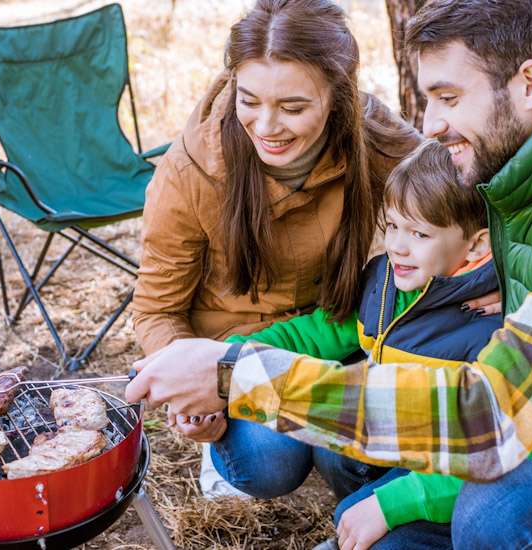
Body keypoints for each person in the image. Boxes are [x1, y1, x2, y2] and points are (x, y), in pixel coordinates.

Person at [127, 0, 532, 548]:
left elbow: (487, 418)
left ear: (530, 84)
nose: (432, 124)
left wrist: (236, 374)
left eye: (447, 97)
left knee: (500, 507)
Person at [131, 0, 421, 501]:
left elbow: (455, 193)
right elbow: (157, 310)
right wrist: (197, 387)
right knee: (270, 461)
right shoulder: (193, 169)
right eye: (249, 100)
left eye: (292, 107)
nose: (266, 126)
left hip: (334, 332)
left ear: (338, 96)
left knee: (349, 447)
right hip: (233, 352)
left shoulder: (371, 134)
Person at [221, 139, 532, 549]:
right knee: (333, 453)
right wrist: (227, 357)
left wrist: (394, 504)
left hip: (455, 472)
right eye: (392, 226)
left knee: (364, 519)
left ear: (478, 244)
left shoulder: (493, 324)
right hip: (400, 443)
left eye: (419, 232)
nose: (397, 245)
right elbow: (314, 334)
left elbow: (513, 456)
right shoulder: (386, 283)